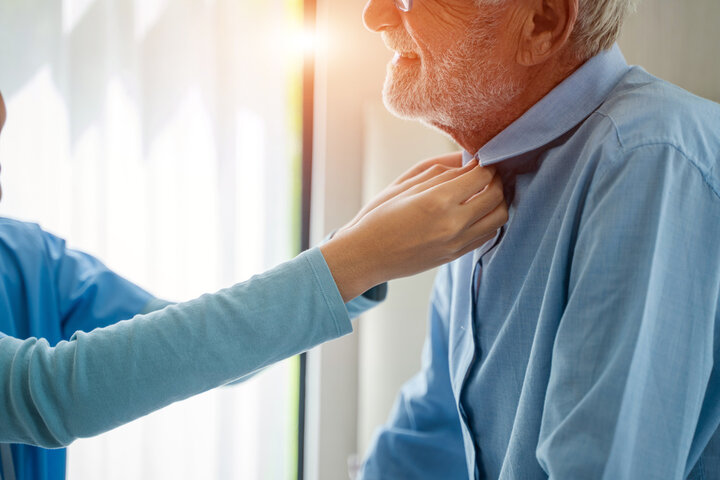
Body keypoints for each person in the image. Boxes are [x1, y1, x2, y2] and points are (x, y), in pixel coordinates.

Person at [0, 85, 507, 480]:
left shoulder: (28, 257)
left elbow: (197, 351)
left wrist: (356, 249)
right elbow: (51, 392)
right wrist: (353, 260)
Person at [359, 0, 720, 479]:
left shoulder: (646, 157)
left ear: (541, 22)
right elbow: (433, 432)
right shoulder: (482, 178)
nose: (374, 14)